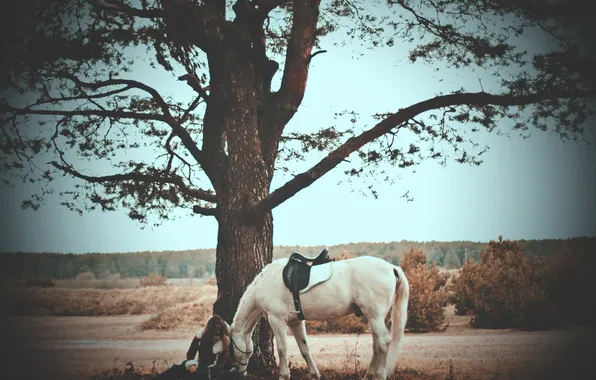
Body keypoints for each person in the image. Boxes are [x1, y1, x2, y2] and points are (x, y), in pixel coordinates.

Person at [154, 315, 230, 380]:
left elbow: (225, 362)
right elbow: (190, 354)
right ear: (210, 328)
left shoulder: (225, 341)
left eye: (220, 329)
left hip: (213, 371)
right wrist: (192, 365)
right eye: (215, 329)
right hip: (199, 366)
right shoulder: (200, 337)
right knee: (177, 368)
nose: (218, 332)